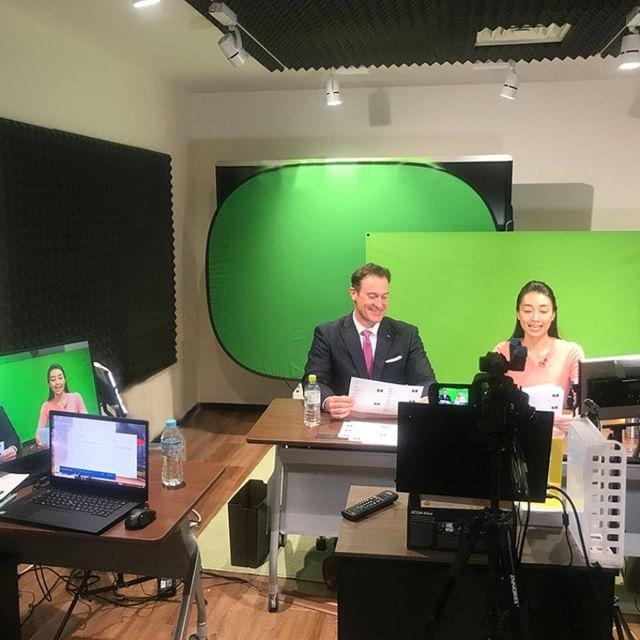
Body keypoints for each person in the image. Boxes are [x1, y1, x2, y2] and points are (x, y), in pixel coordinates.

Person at [303, 263, 436, 420]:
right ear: (353, 293)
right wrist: (328, 402)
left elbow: (426, 381)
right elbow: (313, 381)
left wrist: (425, 398)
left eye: (384, 297)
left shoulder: (406, 334)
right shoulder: (328, 334)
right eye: (372, 296)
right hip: (343, 421)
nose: (379, 304)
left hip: (395, 423)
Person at [494, 280, 585, 412]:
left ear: (553, 315)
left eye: (543, 311)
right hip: (514, 424)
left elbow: (583, 402)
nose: (535, 318)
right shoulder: (503, 351)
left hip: (556, 425)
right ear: (518, 314)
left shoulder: (571, 352)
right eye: (527, 311)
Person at [35, 363, 87, 446]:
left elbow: (86, 422)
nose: (57, 382)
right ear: (49, 384)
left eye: (60, 378)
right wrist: (45, 442)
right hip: (59, 448)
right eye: (53, 380)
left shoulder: (76, 397)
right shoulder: (46, 406)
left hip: (78, 444)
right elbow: (38, 435)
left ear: (65, 380)